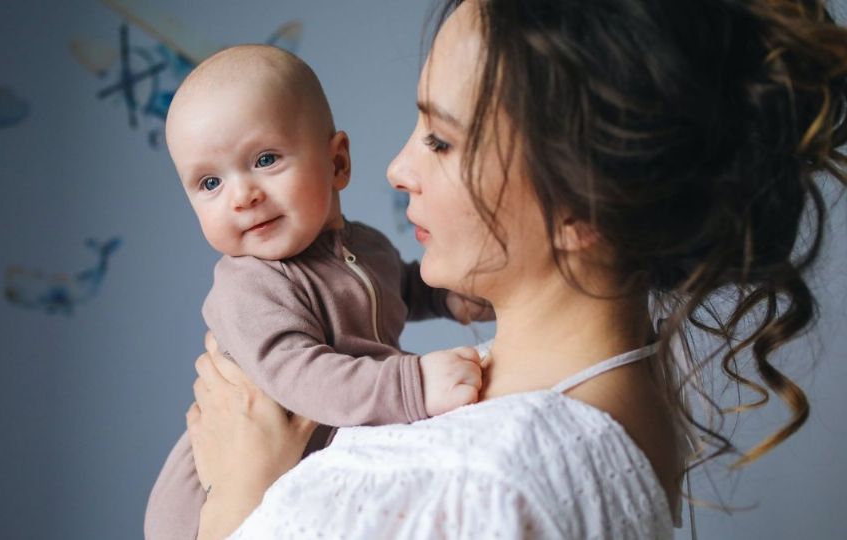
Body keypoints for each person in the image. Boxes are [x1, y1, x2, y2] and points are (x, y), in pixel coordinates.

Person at [182, 0, 847, 537]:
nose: (397, 170)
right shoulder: (611, 402)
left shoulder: (496, 483)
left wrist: (238, 503)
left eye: (441, 139)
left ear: (581, 202)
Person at [145, 44, 495, 540]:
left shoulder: (365, 245)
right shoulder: (250, 286)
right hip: (208, 499)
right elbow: (300, 375)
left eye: (265, 159)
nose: (242, 196)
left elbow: (395, 286)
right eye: (209, 182)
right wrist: (411, 385)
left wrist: (444, 298)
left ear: (337, 164)